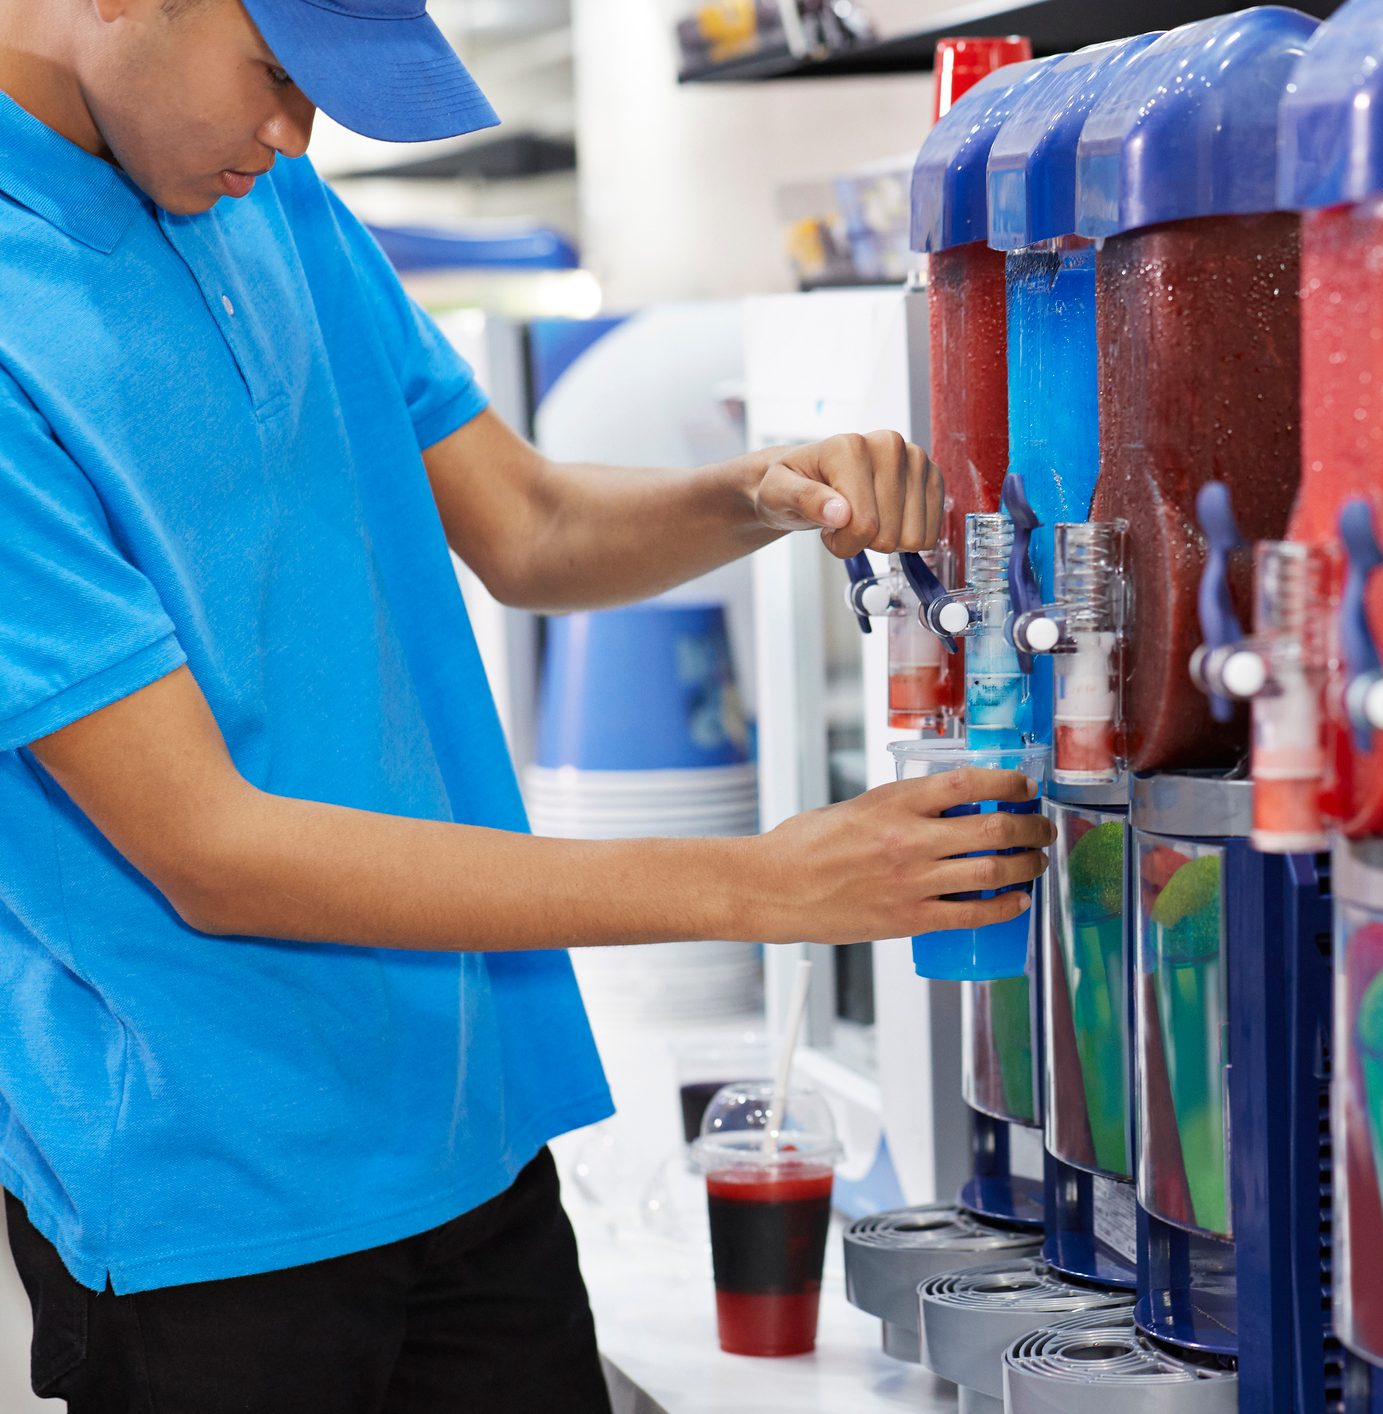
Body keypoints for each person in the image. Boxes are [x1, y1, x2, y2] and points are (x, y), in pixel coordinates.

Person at [0, 0, 1052, 1408]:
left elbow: (531, 525)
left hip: (467, 1132)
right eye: (280, 74)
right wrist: (760, 885)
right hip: (218, 1207)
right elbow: (209, 846)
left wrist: (760, 493)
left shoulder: (270, 201)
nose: (296, 135)